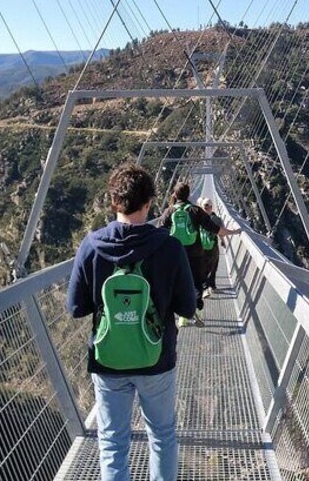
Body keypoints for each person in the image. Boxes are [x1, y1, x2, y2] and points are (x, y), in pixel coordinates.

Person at [67, 163, 196, 481]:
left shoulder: (92, 245)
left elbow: (75, 308)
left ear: (114, 203)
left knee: (112, 442)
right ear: (150, 202)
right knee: (162, 436)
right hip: (156, 359)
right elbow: (187, 308)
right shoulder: (169, 246)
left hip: (108, 361)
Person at [159, 183, 240, 327]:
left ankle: (183, 317)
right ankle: (197, 310)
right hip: (196, 254)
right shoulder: (196, 210)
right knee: (197, 284)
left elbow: (159, 232)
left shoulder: (169, 211)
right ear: (189, 195)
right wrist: (234, 232)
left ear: (175, 195)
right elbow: (215, 229)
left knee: (179, 283)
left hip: (176, 254)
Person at [198, 197, 225, 298]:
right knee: (214, 266)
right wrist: (223, 241)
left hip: (201, 247)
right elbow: (221, 232)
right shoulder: (216, 219)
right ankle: (212, 286)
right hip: (213, 246)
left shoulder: (198, 217)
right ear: (211, 207)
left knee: (203, 267)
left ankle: (205, 287)